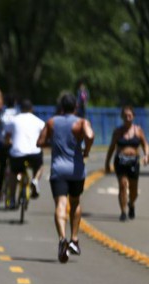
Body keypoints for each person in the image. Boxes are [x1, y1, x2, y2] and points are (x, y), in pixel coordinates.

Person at [37, 92, 95, 263]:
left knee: (60, 204)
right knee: (75, 202)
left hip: (58, 170)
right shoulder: (81, 122)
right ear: (76, 107)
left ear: (61, 107)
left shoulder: (52, 122)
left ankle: (62, 238)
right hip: (76, 170)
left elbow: (39, 142)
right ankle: (74, 239)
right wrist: (86, 150)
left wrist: (53, 143)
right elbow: (90, 136)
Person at [104, 106, 149, 221]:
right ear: (122, 117)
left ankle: (131, 204)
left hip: (134, 162)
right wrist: (107, 163)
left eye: (130, 115)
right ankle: (123, 211)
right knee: (123, 185)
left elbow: (145, 144)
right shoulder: (118, 131)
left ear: (133, 116)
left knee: (134, 190)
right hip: (120, 161)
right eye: (125, 116)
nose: (127, 118)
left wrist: (146, 155)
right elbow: (111, 147)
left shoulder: (138, 130)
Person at [4, 99, 45, 206]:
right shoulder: (39, 121)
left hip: (17, 153)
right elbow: (43, 139)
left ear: (20, 109)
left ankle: (12, 199)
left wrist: (9, 143)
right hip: (34, 153)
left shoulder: (13, 120)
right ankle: (35, 180)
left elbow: (7, 138)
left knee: (13, 172)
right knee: (40, 166)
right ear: (32, 109)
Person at [0, 96, 18, 202]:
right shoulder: (19, 114)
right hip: (15, 144)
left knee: (2, 168)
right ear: (15, 103)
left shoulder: (0, 114)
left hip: (2, 144)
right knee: (16, 168)